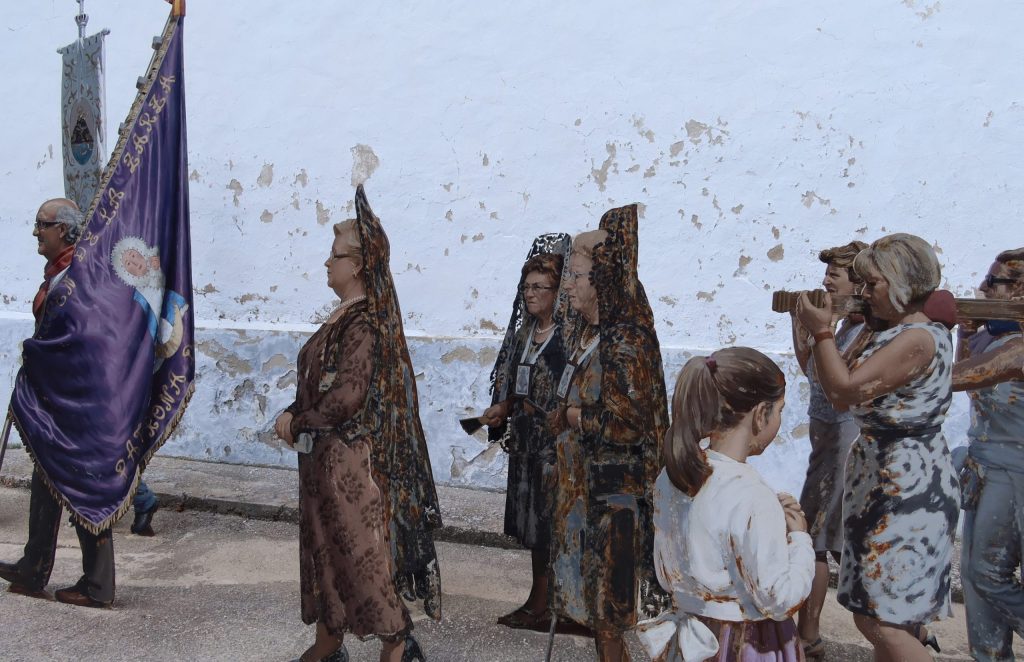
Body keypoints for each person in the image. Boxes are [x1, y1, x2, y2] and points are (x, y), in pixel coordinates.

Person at [274, 185, 441, 662]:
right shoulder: (342, 318)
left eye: (336, 256)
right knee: (325, 554)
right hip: (322, 461)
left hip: (351, 464)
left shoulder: (365, 323)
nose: (327, 263)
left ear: (359, 265)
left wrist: (298, 420)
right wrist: (296, 414)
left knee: (360, 558)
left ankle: (397, 644)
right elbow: (319, 384)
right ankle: (329, 643)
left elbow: (348, 395)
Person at [796, 233, 959, 662]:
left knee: (883, 621)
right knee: (876, 614)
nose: (864, 293)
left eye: (872, 284)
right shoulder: (889, 332)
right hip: (882, 476)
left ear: (902, 282)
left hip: (907, 484)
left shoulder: (917, 338)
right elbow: (825, 376)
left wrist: (821, 331)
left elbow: (842, 391)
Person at [0, 198, 159, 606]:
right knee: (45, 475)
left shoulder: (81, 278)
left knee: (86, 484)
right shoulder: (62, 273)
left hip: (82, 404)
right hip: (55, 402)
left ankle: (97, 585)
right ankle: (33, 567)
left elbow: (83, 341)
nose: (36, 231)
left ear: (64, 231)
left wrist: (39, 354)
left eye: (43, 224)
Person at [638, 347, 814, 662]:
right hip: (747, 644)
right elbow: (778, 599)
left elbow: (669, 570)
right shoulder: (753, 494)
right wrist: (799, 539)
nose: (779, 420)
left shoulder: (671, 477)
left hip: (691, 642)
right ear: (761, 414)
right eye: (780, 411)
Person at [549, 204, 669, 662]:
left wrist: (576, 417)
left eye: (576, 276)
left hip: (617, 500)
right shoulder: (588, 332)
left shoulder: (627, 338)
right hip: (586, 492)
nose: (569, 285)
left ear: (601, 282)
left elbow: (628, 425)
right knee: (599, 615)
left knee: (610, 614)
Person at [482, 234, 571, 630]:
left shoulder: (566, 339)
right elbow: (517, 386)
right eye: (527, 287)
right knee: (534, 527)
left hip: (554, 449)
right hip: (526, 444)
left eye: (539, 287)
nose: (530, 294)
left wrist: (545, 409)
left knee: (552, 527)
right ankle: (539, 600)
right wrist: (502, 408)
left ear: (556, 293)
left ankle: (552, 603)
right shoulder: (525, 334)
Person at [788, 240, 866, 657]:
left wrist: (819, 329)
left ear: (858, 282)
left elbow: (836, 381)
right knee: (826, 536)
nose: (826, 281)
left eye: (835, 274)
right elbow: (814, 371)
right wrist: (801, 327)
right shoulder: (844, 325)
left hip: (841, 438)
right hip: (827, 438)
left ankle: (809, 633)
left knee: (816, 536)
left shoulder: (863, 330)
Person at [953, 248, 1024, 662]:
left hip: (1015, 469)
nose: (982, 288)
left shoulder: (1016, 347)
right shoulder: (993, 337)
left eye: (993, 282)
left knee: (988, 574)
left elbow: (954, 378)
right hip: (985, 467)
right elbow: (967, 382)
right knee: (975, 579)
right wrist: (964, 333)